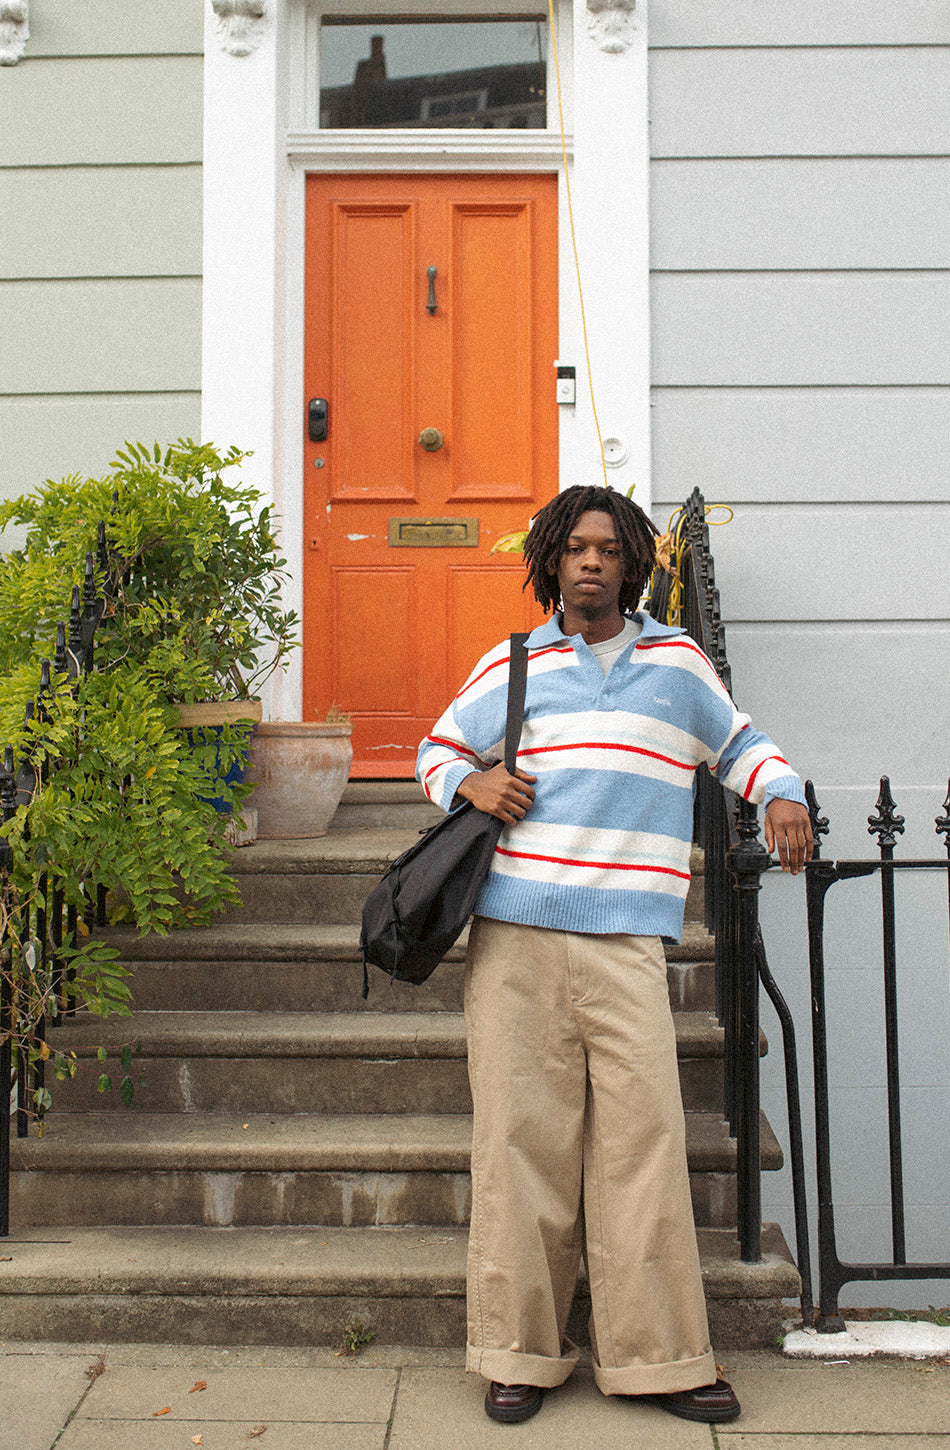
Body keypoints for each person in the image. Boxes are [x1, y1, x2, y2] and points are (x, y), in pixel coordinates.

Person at [415, 485, 812, 1426]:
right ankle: (519, 1352)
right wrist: (474, 782)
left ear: (635, 564)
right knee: (521, 1146)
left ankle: (661, 1360)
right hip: (516, 936)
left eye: (609, 550)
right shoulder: (511, 663)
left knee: (643, 1148)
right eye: (575, 549)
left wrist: (783, 792)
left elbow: (741, 743)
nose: (592, 562)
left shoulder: (678, 663)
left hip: (627, 941)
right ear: (550, 561)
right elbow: (436, 750)